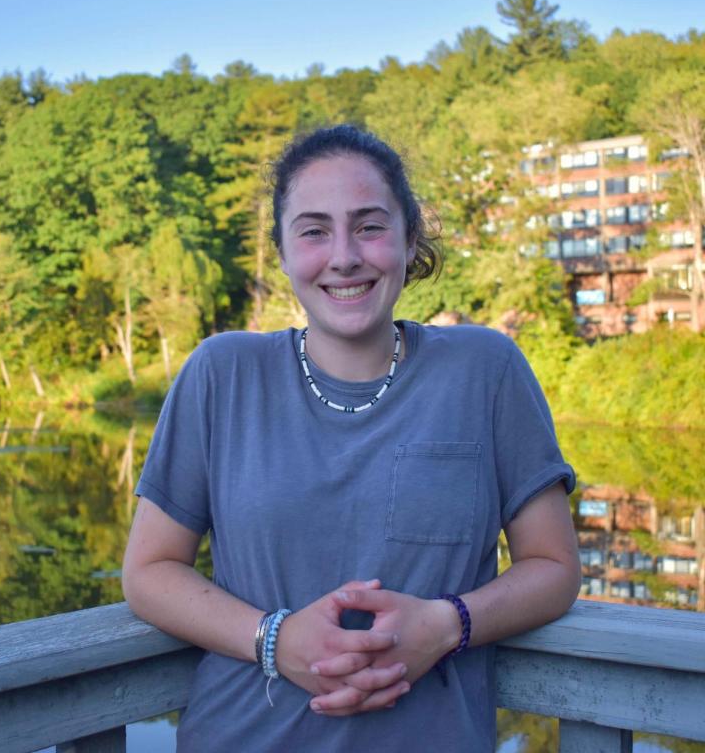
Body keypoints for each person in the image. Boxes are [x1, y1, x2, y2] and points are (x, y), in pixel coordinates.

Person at [122, 125, 581, 752]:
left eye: (369, 226)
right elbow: (148, 571)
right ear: (282, 253)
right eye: (313, 231)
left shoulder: (486, 370)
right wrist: (276, 639)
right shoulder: (222, 374)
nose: (343, 256)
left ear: (409, 237)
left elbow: (554, 568)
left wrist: (448, 624)